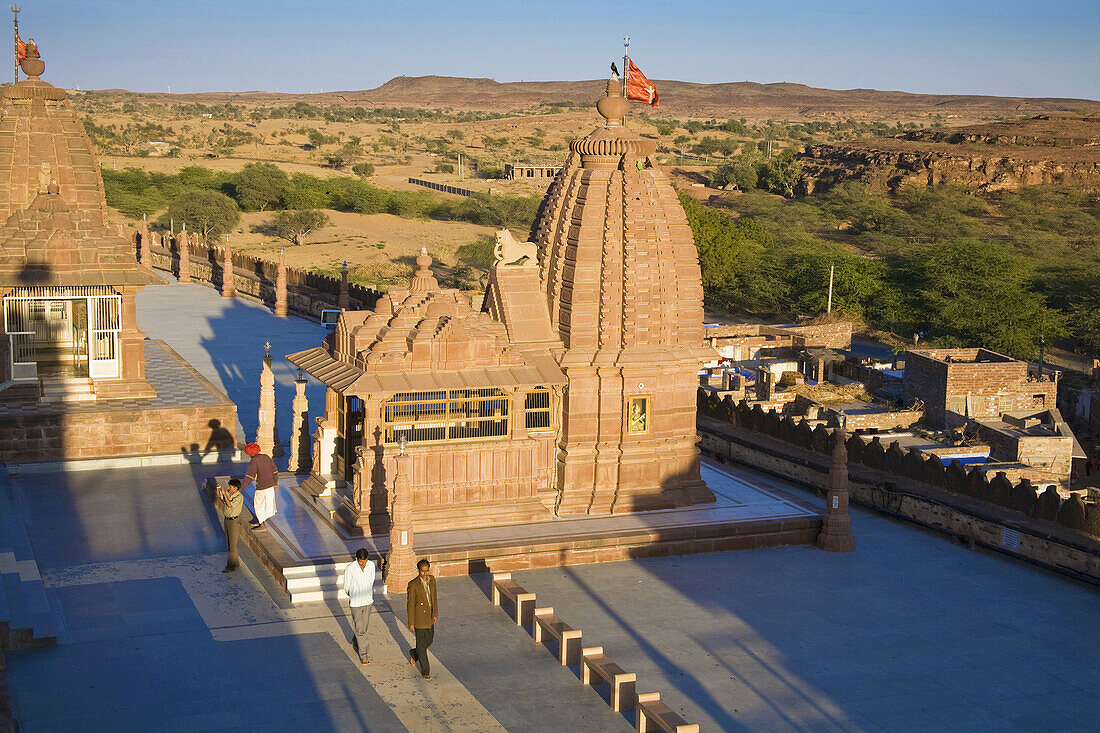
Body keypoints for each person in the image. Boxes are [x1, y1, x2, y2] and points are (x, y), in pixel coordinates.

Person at [343, 548, 376, 665]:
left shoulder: (371, 565)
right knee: (360, 630)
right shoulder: (350, 568)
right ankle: (364, 655)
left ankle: (356, 642)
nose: (363, 564)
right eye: (361, 562)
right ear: (356, 559)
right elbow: (346, 586)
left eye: (365, 561)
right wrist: (352, 594)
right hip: (356, 603)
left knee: (363, 627)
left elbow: (371, 581)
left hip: (368, 601)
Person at [407, 558, 438, 680]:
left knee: (429, 640)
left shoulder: (432, 580)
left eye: (427, 571)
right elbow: (410, 605)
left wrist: (435, 613)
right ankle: (425, 670)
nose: (425, 574)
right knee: (421, 643)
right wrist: (411, 622)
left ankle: (415, 653)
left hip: (430, 617)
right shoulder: (413, 584)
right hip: (419, 618)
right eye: (422, 571)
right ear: (418, 570)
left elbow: (434, 597)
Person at [240, 442, 277, 531]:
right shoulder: (266, 457)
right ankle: (260, 520)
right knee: (266, 504)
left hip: (262, 486)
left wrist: (240, 488)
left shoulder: (254, 461)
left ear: (251, 453)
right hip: (271, 485)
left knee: (258, 505)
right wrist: (275, 483)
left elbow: (250, 477)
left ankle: (262, 525)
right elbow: (275, 471)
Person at [215, 478, 244, 573]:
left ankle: (230, 566)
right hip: (227, 519)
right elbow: (220, 497)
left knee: (232, 545)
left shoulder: (239, 497)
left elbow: (230, 505)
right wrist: (219, 490)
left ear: (235, 488)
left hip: (234, 521)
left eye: (230, 487)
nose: (229, 488)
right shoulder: (229, 494)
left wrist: (224, 493)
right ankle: (236, 562)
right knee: (229, 543)